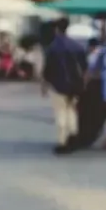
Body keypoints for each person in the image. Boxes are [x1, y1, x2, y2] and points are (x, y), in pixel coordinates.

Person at [40, 20, 87, 154]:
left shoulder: (53, 47)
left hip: (58, 84)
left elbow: (48, 69)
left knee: (60, 112)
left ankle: (62, 141)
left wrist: (44, 85)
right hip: (75, 85)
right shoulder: (77, 46)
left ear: (56, 30)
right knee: (72, 111)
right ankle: (73, 135)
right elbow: (84, 67)